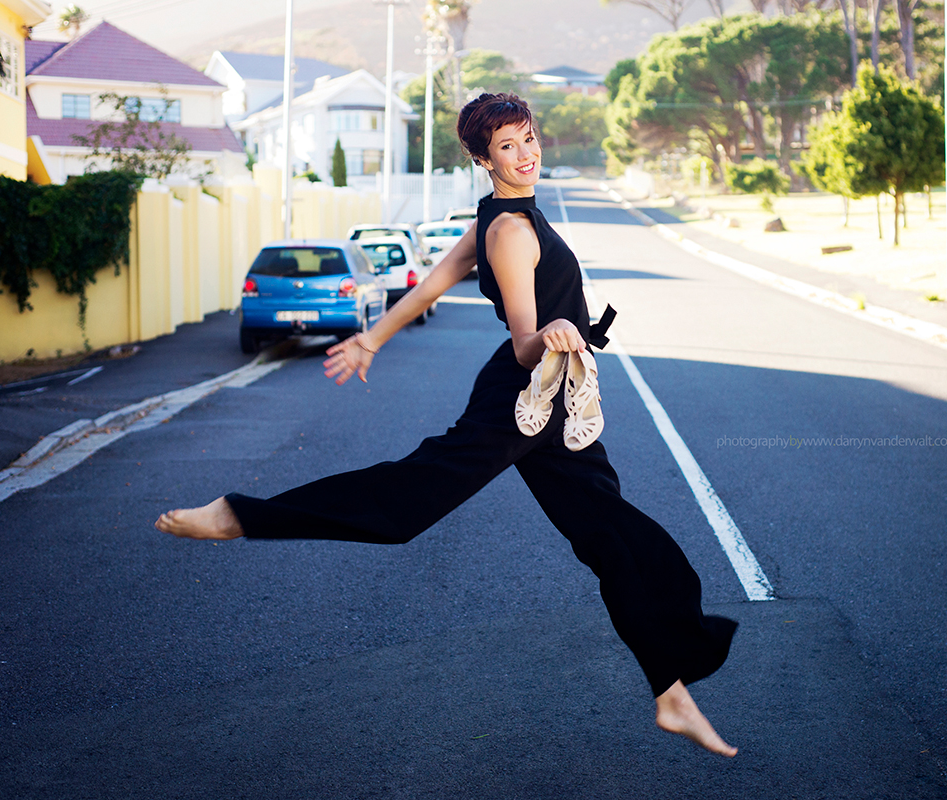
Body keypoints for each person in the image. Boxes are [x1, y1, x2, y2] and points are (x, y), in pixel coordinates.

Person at [156, 93, 739, 757]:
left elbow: (430, 286)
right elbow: (525, 344)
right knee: (407, 503)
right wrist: (553, 328)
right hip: (521, 396)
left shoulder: (502, 215)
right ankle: (239, 515)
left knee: (620, 538)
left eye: (528, 138)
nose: (525, 154)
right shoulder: (510, 230)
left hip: (553, 403)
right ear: (482, 159)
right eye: (507, 147)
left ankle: (671, 692)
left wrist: (371, 339)